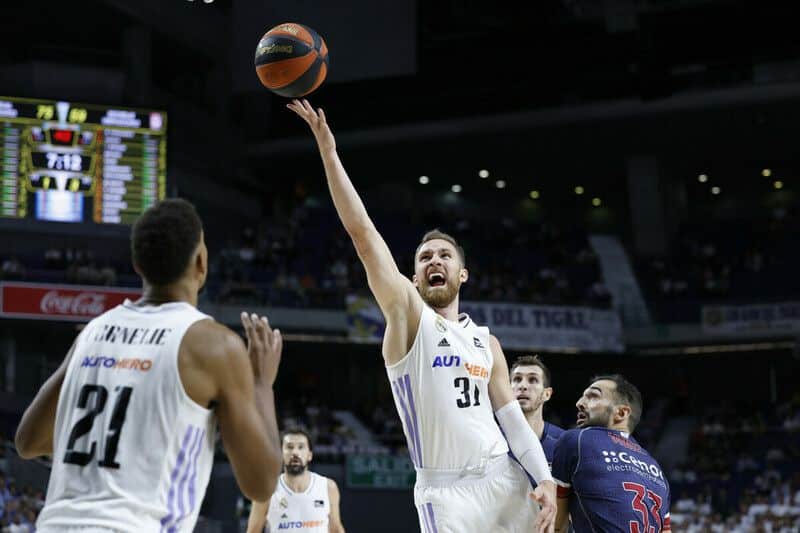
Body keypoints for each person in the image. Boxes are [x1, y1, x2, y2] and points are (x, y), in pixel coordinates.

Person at [288, 99, 555, 533]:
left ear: (462, 273)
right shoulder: (410, 318)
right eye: (426, 256)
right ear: (413, 278)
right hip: (445, 495)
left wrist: (542, 477)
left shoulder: (486, 342)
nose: (436, 260)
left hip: (502, 478)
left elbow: (511, 421)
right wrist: (329, 153)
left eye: (445, 255)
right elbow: (363, 234)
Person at [15, 198, 284, 532]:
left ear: (137, 265)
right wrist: (261, 385)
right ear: (201, 262)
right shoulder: (214, 345)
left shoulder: (94, 331)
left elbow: (28, 441)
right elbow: (262, 484)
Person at [552, 375, 672, 533]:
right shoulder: (657, 470)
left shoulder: (578, 440)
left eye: (593, 396)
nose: (579, 403)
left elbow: (556, 525)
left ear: (621, 413)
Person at [247, 428, 345, 533]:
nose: (295, 452)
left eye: (301, 447)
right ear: (280, 454)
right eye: (289, 447)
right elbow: (253, 531)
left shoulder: (328, 487)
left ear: (309, 455)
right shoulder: (267, 490)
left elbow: (336, 529)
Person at [510, 355, 564, 466]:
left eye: (533, 380)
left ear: (547, 394)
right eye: (517, 379)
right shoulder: (493, 438)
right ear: (507, 390)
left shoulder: (563, 442)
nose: (523, 386)